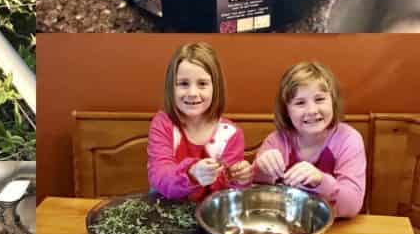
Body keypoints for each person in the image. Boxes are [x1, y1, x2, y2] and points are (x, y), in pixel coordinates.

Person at [253, 62, 366, 218]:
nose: (312, 110)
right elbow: (255, 194)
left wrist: (320, 181)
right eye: (300, 103)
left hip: (336, 227)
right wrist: (260, 168)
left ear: (333, 101)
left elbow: (352, 206)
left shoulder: (349, 139)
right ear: (286, 111)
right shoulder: (276, 141)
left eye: (320, 99)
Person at [147, 42, 252, 201]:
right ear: (171, 87)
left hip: (210, 215)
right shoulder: (163, 123)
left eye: (202, 84)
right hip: (165, 211)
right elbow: (159, 175)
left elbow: (230, 195)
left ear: (215, 87)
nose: (192, 93)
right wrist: (192, 173)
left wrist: (241, 179)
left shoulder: (231, 134)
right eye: (183, 84)